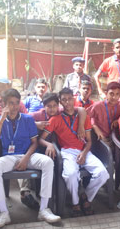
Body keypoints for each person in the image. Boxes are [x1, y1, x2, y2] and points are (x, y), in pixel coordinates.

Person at [0, 89, 60, 227]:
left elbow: (34, 143)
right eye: (10, 103)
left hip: (29, 155)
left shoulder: (27, 119)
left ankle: (44, 209)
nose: (14, 107)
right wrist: (2, 120)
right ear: (4, 104)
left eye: (16, 103)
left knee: (48, 163)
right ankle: (3, 212)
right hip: (9, 157)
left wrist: (26, 159)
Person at [39, 88, 109, 217]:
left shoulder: (82, 116)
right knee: (70, 174)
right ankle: (75, 202)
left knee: (103, 173)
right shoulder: (56, 119)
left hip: (85, 151)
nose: (67, 102)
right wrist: (48, 144)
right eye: (64, 100)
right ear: (60, 101)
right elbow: (41, 138)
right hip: (67, 152)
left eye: (70, 99)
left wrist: (84, 153)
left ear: (74, 98)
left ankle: (86, 197)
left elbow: (89, 141)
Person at [87, 82, 120, 146]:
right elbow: (86, 117)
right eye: (111, 94)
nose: (114, 97)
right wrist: (94, 126)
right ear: (106, 93)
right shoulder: (97, 106)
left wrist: (119, 120)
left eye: (117, 94)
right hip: (100, 137)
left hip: (116, 137)